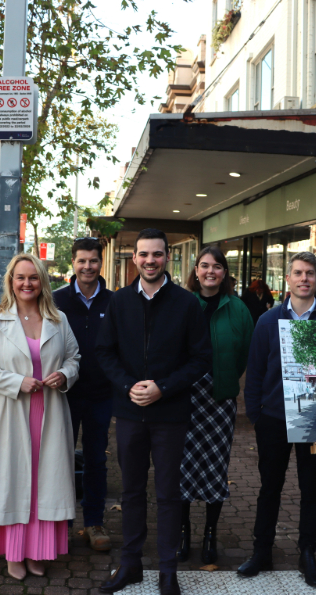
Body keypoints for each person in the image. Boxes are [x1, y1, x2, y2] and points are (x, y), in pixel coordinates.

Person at [95, 229, 212, 595]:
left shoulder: (186, 303)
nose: (150, 261)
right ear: (134, 258)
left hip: (170, 413)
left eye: (157, 255)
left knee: (168, 493)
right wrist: (128, 384)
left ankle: (167, 572)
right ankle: (130, 565)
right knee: (130, 491)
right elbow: (104, 352)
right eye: (143, 254)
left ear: (167, 258)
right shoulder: (118, 302)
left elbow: (201, 359)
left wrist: (164, 386)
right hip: (129, 412)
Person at [0, 253, 80, 580]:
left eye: (33, 277)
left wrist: (64, 374)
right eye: (20, 277)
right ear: (11, 282)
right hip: (9, 413)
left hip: (49, 412)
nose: (27, 283)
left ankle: (37, 550)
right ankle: (13, 553)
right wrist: (17, 382)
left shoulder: (58, 319)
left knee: (42, 482)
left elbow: (74, 357)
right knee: (12, 480)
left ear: (42, 281)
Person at [238, 251, 316, 588]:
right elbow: (254, 373)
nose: (304, 279)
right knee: (270, 488)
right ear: (288, 279)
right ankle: (261, 551)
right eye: (297, 273)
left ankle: (307, 552)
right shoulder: (268, 321)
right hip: (273, 419)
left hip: (314, 419)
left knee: (311, 489)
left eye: (310, 273)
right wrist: (257, 414)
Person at [177, 246, 253, 565]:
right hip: (183, 400)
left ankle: (210, 534)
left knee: (214, 471)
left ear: (225, 273)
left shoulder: (238, 309)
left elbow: (244, 354)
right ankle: (184, 533)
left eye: (217, 266)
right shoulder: (180, 304)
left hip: (219, 401)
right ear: (195, 271)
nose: (210, 271)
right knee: (181, 469)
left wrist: (221, 382)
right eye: (204, 266)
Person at [53, 238, 114, 552]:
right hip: (63, 395)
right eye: (82, 261)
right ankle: (61, 524)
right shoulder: (55, 301)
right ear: (72, 263)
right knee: (58, 460)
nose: (87, 266)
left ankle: (94, 523)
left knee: (96, 461)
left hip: (102, 396)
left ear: (100, 262)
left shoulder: (115, 302)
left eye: (93, 261)